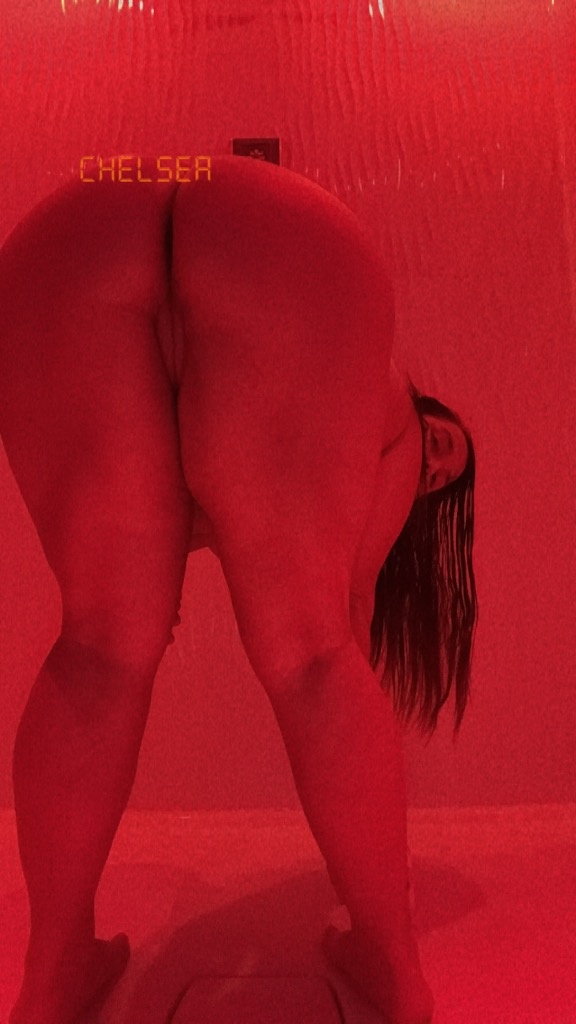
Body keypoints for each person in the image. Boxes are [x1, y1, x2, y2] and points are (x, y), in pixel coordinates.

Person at [0, 155, 476, 1024]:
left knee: (97, 647)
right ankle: (391, 961)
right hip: (283, 232)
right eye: (448, 449)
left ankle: (51, 973)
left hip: (86, 206)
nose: (435, 465)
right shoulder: (391, 430)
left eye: (442, 476)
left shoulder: (355, 419)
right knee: (314, 655)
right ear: (435, 420)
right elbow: (342, 635)